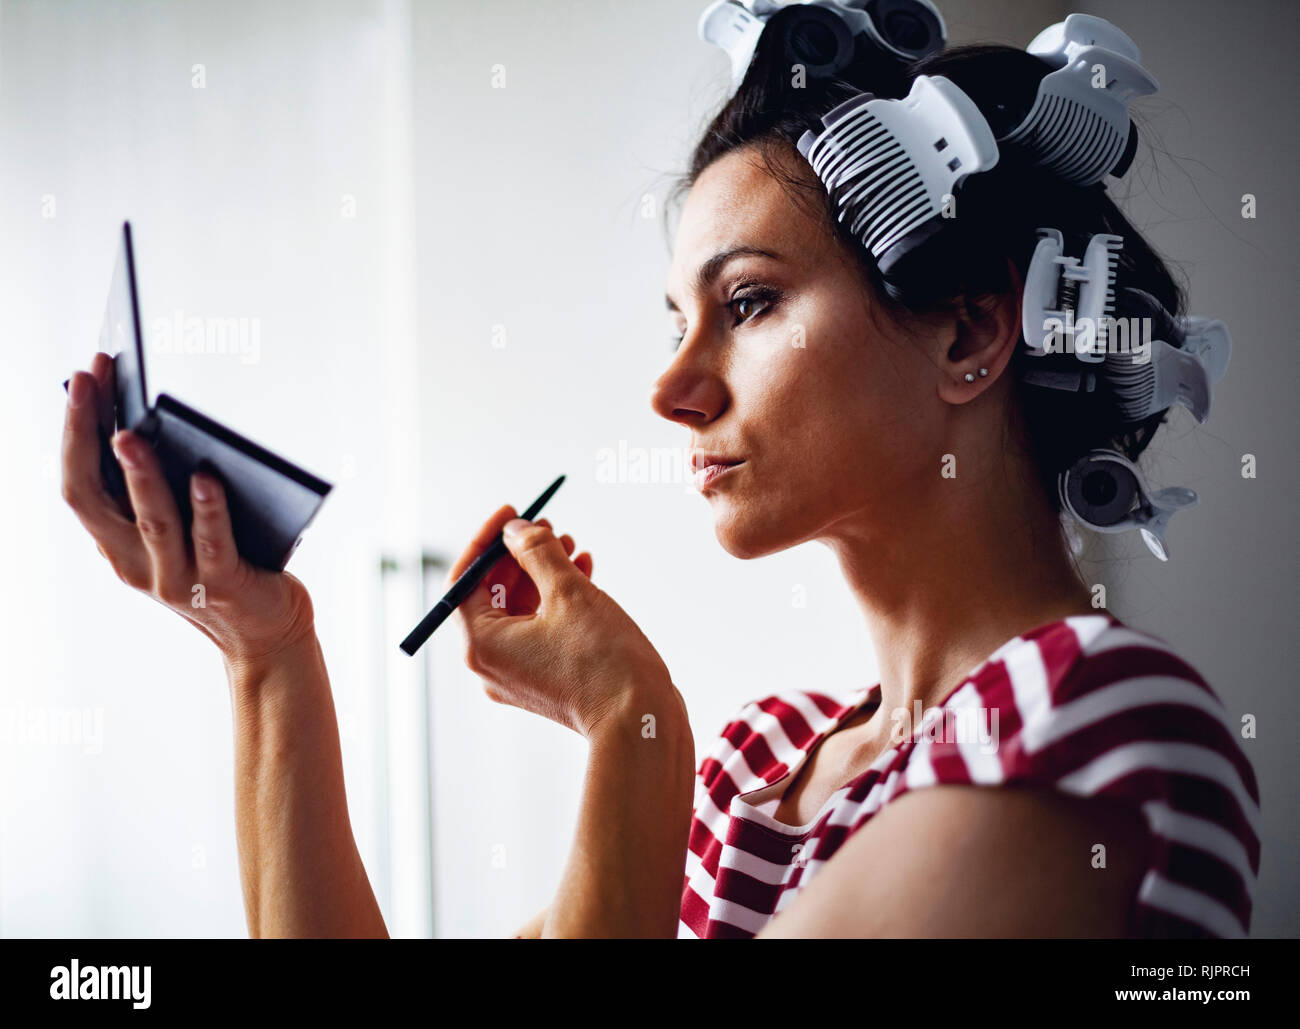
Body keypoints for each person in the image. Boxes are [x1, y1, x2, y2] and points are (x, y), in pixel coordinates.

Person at [59, 32, 1258, 939]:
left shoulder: (1095, 720)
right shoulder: (760, 765)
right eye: (677, 320)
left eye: (746, 305)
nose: (671, 389)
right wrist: (268, 654)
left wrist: (634, 734)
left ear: (969, 334)